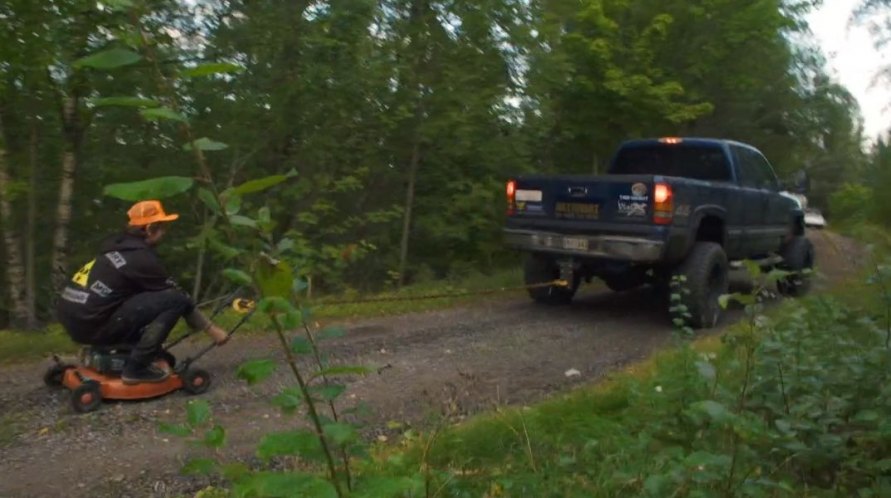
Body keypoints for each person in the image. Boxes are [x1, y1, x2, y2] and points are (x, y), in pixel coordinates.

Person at [57, 200, 229, 384]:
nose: (165, 232)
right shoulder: (141, 259)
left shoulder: (116, 248)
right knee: (175, 300)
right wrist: (212, 330)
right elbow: (178, 298)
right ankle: (136, 368)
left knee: (146, 301)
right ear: (149, 229)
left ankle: (135, 353)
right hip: (94, 326)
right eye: (162, 228)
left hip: (74, 320)